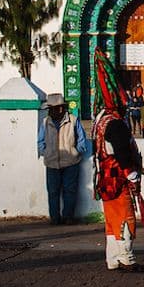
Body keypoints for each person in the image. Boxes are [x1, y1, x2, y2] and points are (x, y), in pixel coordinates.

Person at [93, 63, 144, 271]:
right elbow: (122, 152)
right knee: (125, 217)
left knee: (111, 220)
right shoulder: (115, 123)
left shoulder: (101, 120)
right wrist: (132, 175)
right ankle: (126, 258)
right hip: (118, 177)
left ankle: (113, 258)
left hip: (104, 178)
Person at [38, 93, 91, 225]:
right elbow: (40, 141)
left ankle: (68, 217)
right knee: (53, 192)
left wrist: (75, 152)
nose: (50, 111)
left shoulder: (73, 120)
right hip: (51, 163)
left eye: (52, 108)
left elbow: (81, 140)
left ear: (60, 108)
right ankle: (54, 218)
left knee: (70, 190)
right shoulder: (46, 122)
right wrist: (46, 152)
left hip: (71, 162)